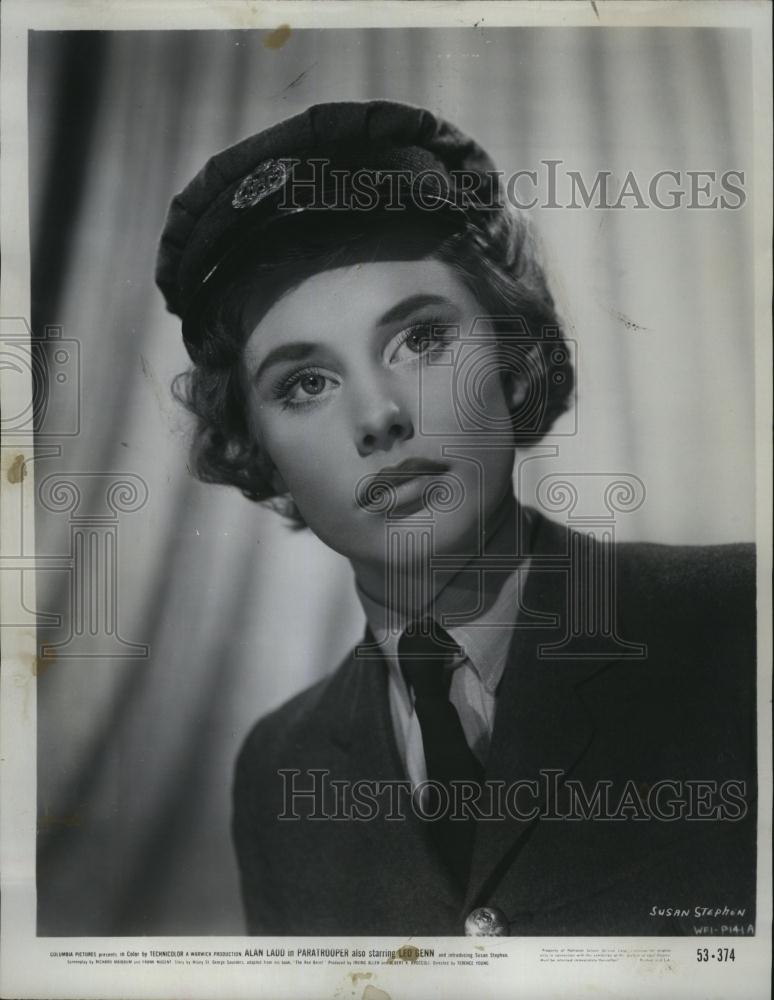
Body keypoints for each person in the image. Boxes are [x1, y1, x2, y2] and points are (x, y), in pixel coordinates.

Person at [155, 100, 757, 937]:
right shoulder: (278, 768)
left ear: (514, 364)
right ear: (259, 455)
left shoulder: (737, 623)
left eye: (421, 340)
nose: (379, 417)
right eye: (306, 383)